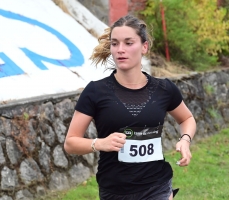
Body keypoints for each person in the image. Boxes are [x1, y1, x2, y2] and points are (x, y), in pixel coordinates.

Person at [64, 14, 196, 200]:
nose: (120, 50)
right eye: (115, 43)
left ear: (144, 47)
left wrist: (185, 139)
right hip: (115, 190)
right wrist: (99, 143)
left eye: (128, 43)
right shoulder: (95, 91)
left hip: (157, 186)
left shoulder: (164, 89)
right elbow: (70, 142)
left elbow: (187, 118)